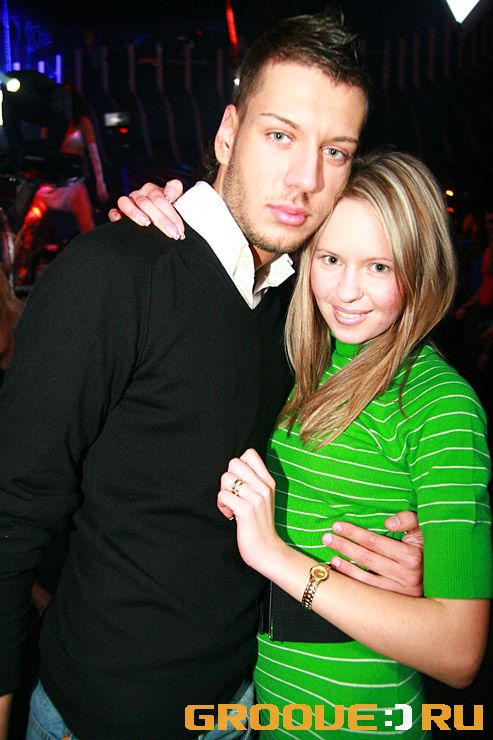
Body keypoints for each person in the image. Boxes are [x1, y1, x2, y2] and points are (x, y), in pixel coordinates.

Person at [0, 12, 422, 740]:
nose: (305, 179)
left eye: (335, 151)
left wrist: (400, 566)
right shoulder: (113, 273)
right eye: (280, 135)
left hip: (245, 705)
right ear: (228, 134)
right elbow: (11, 514)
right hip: (99, 719)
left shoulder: (305, 307)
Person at [215, 151, 491, 738]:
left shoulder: (440, 404)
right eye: (331, 258)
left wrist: (272, 554)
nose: (346, 292)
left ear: (421, 270)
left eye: (379, 267)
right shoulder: (296, 358)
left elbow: (458, 651)